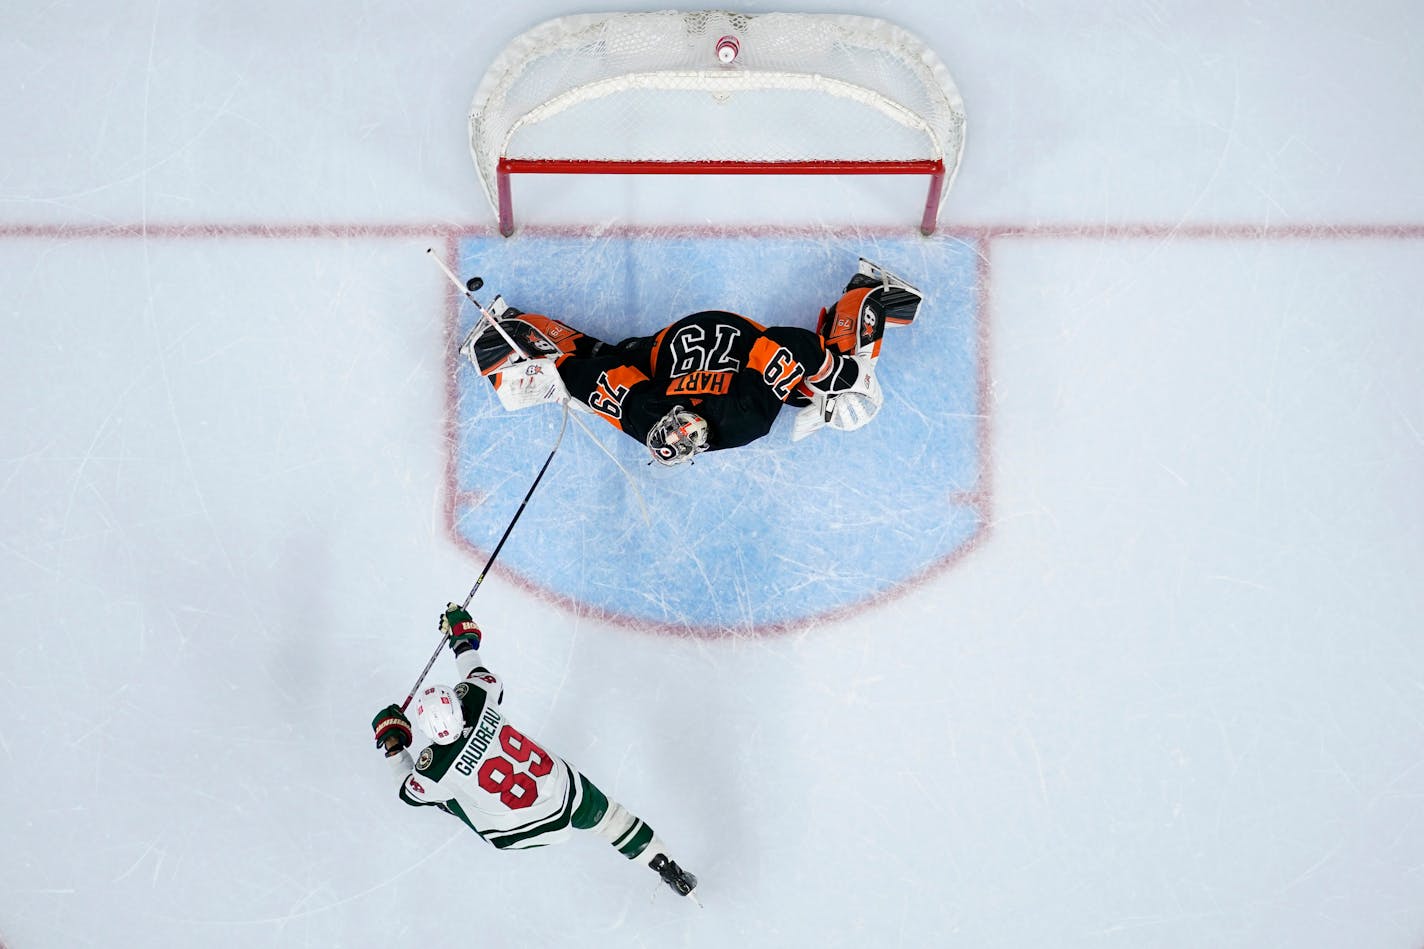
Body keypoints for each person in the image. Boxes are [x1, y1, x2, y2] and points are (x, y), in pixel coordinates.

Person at [372, 604, 698, 898]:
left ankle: (456, 802)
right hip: (559, 791)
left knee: (446, 795)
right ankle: (664, 864)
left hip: (512, 832)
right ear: (457, 706)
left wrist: (393, 742)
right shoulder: (476, 698)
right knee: (612, 819)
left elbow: (408, 791)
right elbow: (474, 669)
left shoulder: (434, 767)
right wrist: (460, 637)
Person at [461, 258, 924, 466]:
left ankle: (870, 293)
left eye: (673, 425)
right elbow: (787, 344)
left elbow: (589, 378)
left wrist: (549, 374)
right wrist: (551, 377)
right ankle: (867, 295)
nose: (682, 423)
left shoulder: (658, 416)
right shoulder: (742, 419)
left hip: (686, 343)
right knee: (606, 360)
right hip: (699, 342)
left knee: (608, 359)